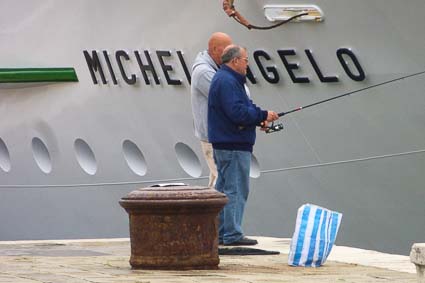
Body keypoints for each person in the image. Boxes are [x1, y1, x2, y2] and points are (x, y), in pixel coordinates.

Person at [208, 45, 279, 246]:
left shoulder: (226, 80)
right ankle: (232, 234)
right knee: (236, 189)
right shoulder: (228, 81)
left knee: (224, 189)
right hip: (233, 145)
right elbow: (237, 112)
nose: (248, 64)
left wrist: (260, 118)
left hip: (226, 143)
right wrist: (264, 115)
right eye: (246, 60)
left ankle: (222, 232)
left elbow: (244, 107)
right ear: (235, 61)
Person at [191, 32, 233, 188]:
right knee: (224, 183)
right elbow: (230, 98)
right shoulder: (204, 72)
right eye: (226, 50)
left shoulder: (216, 68)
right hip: (213, 138)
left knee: (217, 180)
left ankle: (211, 212)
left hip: (218, 135)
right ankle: (221, 212)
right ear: (215, 50)